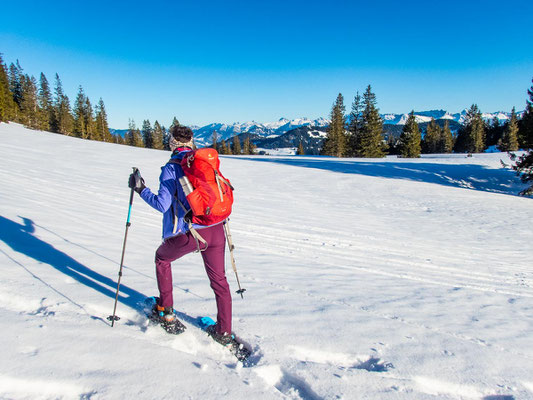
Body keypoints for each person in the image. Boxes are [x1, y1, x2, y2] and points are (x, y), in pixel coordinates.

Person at [128, 125, 233, 343]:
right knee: (220, 281)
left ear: (172, 143)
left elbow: (161, 204)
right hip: (216, 229)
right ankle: (224, 332)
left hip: (191, 233)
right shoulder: (203, 163)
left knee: (162, 258)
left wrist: (140, 189)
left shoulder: (171, 168)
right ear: (191, 142)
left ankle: (166, 313)